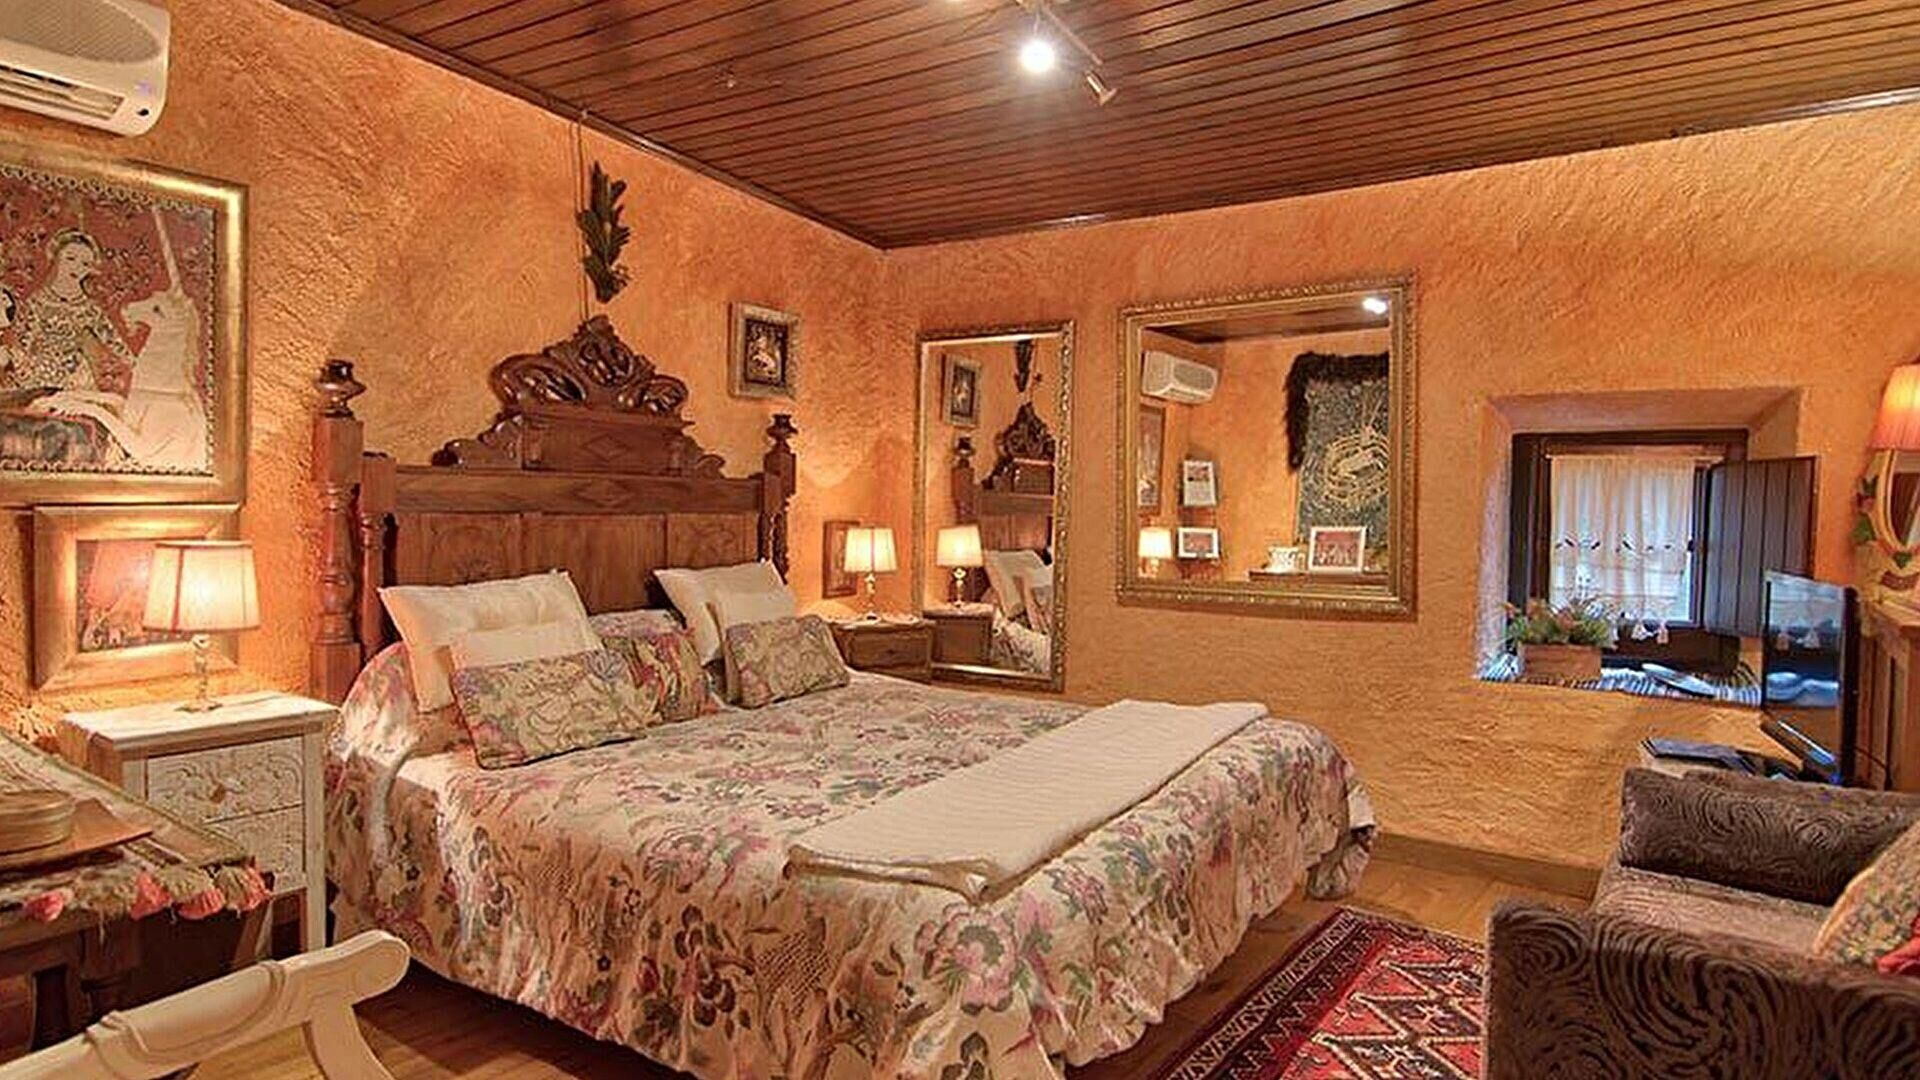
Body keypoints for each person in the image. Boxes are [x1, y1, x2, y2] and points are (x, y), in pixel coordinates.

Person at [13, 229, 136, 393]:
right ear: (56, 257)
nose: (76, 267)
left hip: (77, 380)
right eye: (70, 259)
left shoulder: (89, 308)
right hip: (40, 377)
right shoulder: (37, 302)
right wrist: (22, 367)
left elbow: (116, 344)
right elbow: (22, 344)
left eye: (85, 264)